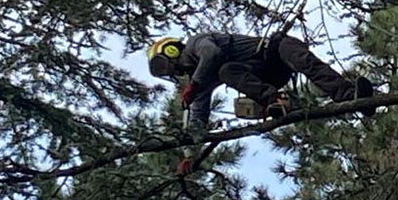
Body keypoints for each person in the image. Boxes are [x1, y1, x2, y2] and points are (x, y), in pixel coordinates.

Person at [147, 32, 375, 138]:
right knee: (227, 71)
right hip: (264, 76)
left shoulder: (196, 44)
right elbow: (197, 117)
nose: (168, 71)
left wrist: (194, 85)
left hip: (273, 51)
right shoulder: (201, 79)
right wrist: (189, 152)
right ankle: (275, 101)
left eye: (163, 64)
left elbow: (212, 53)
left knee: (302, 60)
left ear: (172, 51)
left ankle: (348, 95)